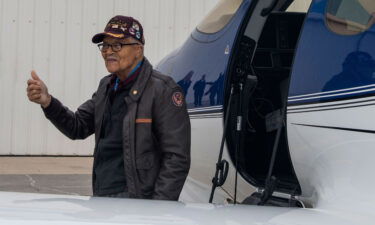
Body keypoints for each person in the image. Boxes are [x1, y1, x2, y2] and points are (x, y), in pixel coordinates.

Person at [26, 15, 191, 200]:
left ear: (138, 49)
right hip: (102, 195)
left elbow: (176, 158)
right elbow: (77, 126)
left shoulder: (163, 90)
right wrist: (47, 101)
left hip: (138, 200)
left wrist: (157, 210)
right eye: (105, 45)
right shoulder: (106, 86)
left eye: (117, 45)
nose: (108, 52)